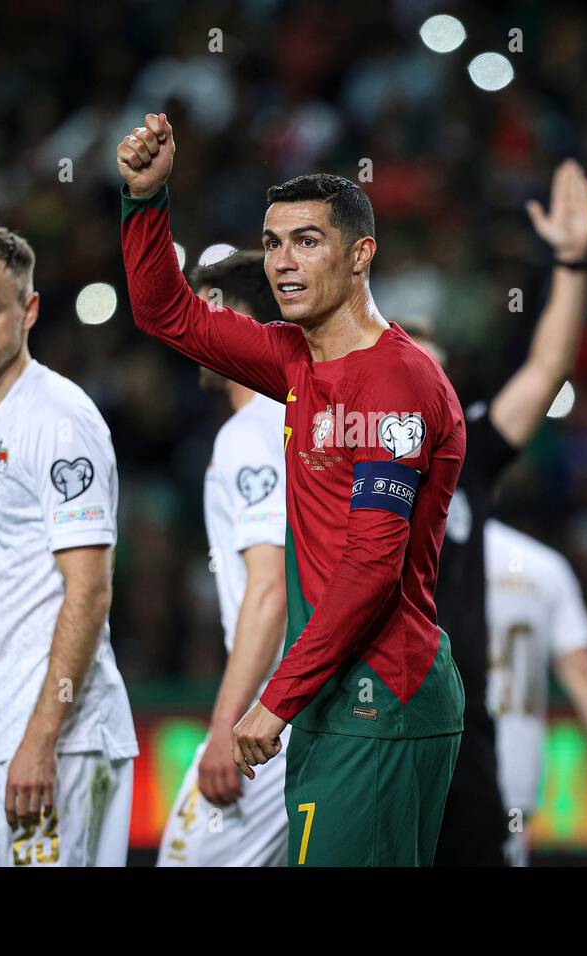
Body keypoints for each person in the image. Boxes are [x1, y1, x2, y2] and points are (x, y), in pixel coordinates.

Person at [118, 112, 465, 866]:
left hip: (380, 698)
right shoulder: (294, 362)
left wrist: (275, 698)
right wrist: (146, 202)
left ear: (361, 253)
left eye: (307, 241)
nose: (282, 261)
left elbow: (373, 566)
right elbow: (164, 312)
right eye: (273, 243)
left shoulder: (397, 383)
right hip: (334, 702)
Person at [0, 223, 138, 867]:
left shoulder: (60, 421)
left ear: (28, 310)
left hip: (61, 747)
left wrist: (43, 737)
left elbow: (89, 592)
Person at [411, 159, 587, 866]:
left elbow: (546, 369)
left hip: (465, 728)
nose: (424, 381)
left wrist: (572, 261)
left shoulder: (469, 455)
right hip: (375, 721)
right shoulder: (347, 457)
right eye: (407, 365)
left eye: (436, 370)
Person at [158, 252, 290, 866]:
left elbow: (269, 591)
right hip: (311, 706)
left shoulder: (247, 434)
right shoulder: (296, 420)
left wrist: (223, 727)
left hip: (269, 720)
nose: (189, 329)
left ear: (231, 315)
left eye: (200, 308)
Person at [485, 519, 587, 865]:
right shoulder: (540, 565)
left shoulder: (411, 546)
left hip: (427, 776)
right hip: (507, 784)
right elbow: (584, 678)